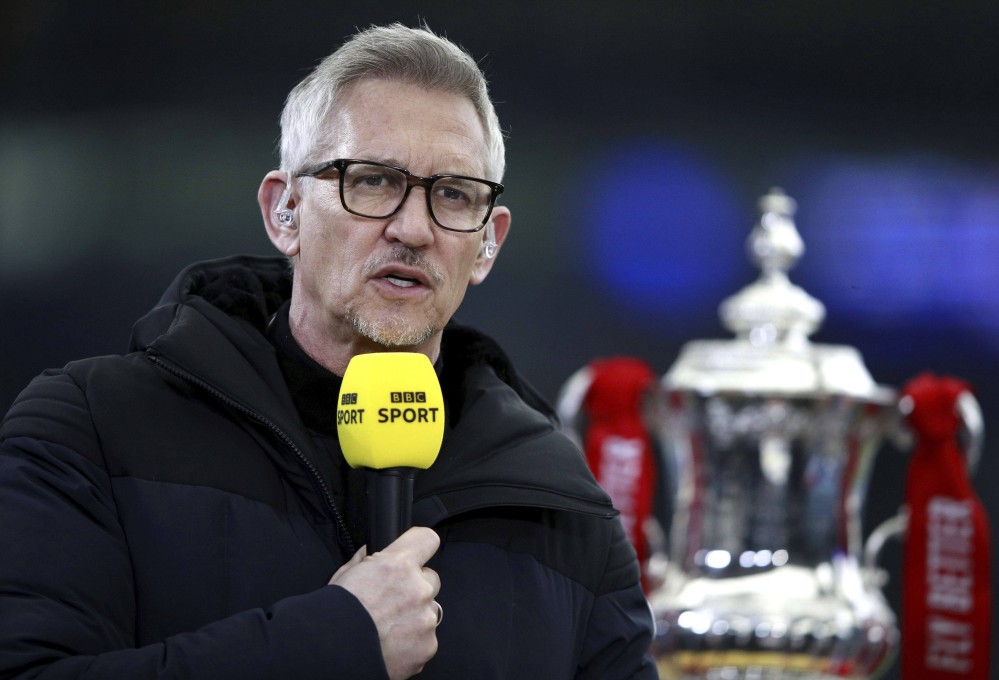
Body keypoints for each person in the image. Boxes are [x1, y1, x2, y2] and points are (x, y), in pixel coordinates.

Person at [0, 22, 657, 680]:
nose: (412, 228)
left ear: (488, 243)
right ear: (284, 210)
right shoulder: (88, 429)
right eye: (371, 181)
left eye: (454, 195)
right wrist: (336, 641)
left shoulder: (564, 506)